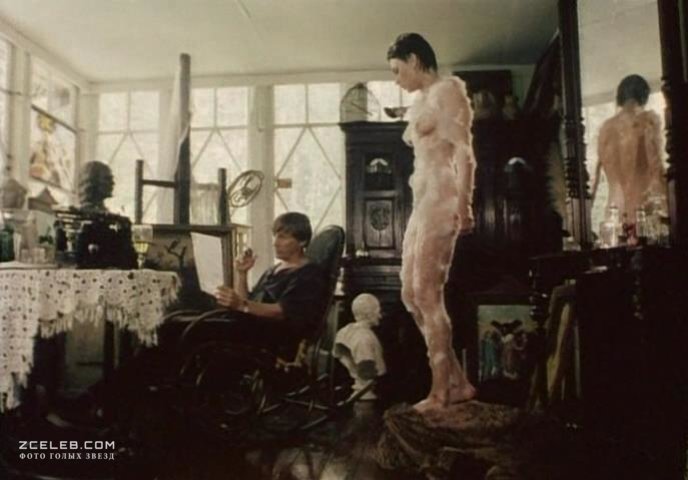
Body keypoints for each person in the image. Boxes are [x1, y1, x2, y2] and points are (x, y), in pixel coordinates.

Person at [387, 32, 477, 412]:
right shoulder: (422, 100)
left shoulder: (448, 91)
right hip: (422, 200)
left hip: (442, 199)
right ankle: (457, 382)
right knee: (410, 294)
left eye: (397, 70)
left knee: (427, 294)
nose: (396, 79)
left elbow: (465, 154)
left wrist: (465, 206)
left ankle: (440, 393)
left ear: (414, 59)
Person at [593, 74, 666, 223]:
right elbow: (657, 168)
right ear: (644, 96)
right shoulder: (647, 121)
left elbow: (593, 181)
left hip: (614, 214)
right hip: (642, 211)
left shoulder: (605, 129)